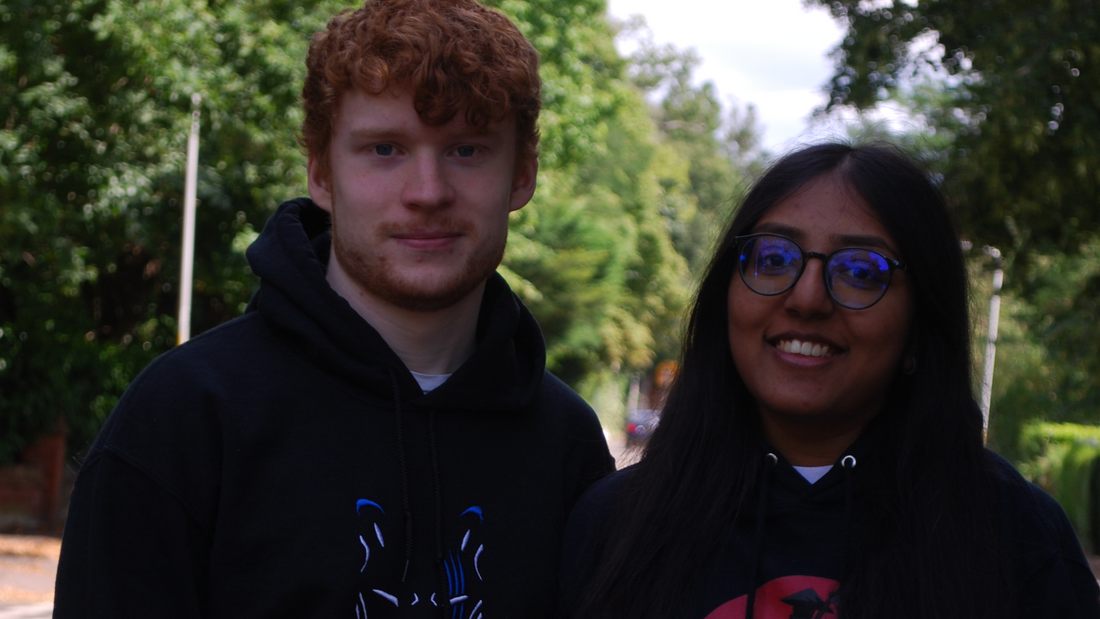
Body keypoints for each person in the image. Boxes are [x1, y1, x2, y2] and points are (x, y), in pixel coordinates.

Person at [54, 0, 614, 616]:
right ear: (321, 173)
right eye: (384, 149)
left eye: (467, 149)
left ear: (522, 176)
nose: (427, 192)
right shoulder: (183, 422)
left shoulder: (569, 449)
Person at [560, 143, 1100, 619]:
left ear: (920, 328)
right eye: (773, 257)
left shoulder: (1015, 536)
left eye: (861, 271)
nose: (807, 298)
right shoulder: (616, 527)